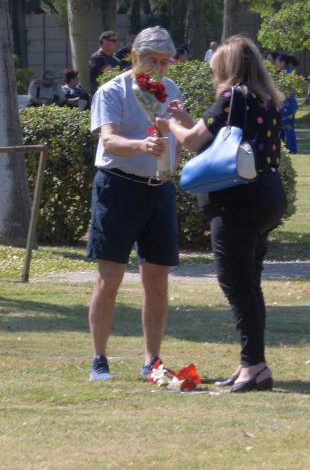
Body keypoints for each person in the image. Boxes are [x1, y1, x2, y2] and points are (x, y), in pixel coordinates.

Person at [156, 36, 288, 393]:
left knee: (236, 285)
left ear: (227, 68)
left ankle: (255, 366)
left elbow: (194, 143)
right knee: (250, 284)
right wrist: (187, 121)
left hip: (237, 203)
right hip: (267, 193)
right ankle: (251, 362)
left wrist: (172, 126)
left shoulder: (232, 97)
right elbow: (229, 145)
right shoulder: (266, 100)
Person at [86, 26, 185, 382]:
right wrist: (142, 146)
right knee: (110, 276)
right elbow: (109, 140)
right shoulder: (112, 90)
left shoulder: (171, 90)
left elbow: (183, 133)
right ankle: (99, 358)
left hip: (159, 189)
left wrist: (182, 125)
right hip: (119, 186)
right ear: (134, 57)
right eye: (151, 60)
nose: (159, 68)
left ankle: (152, 360)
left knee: (156, 278)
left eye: (164, 61)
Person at [276, 54, 299, 154]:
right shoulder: (287, 72)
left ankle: (292, 149)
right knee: (287, 128)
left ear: (282, 63)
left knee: (288, 128)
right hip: (289, 105)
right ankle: (289, 148)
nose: (275, 64)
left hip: (287, 106)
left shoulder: (286, 74)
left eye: (277, 62)